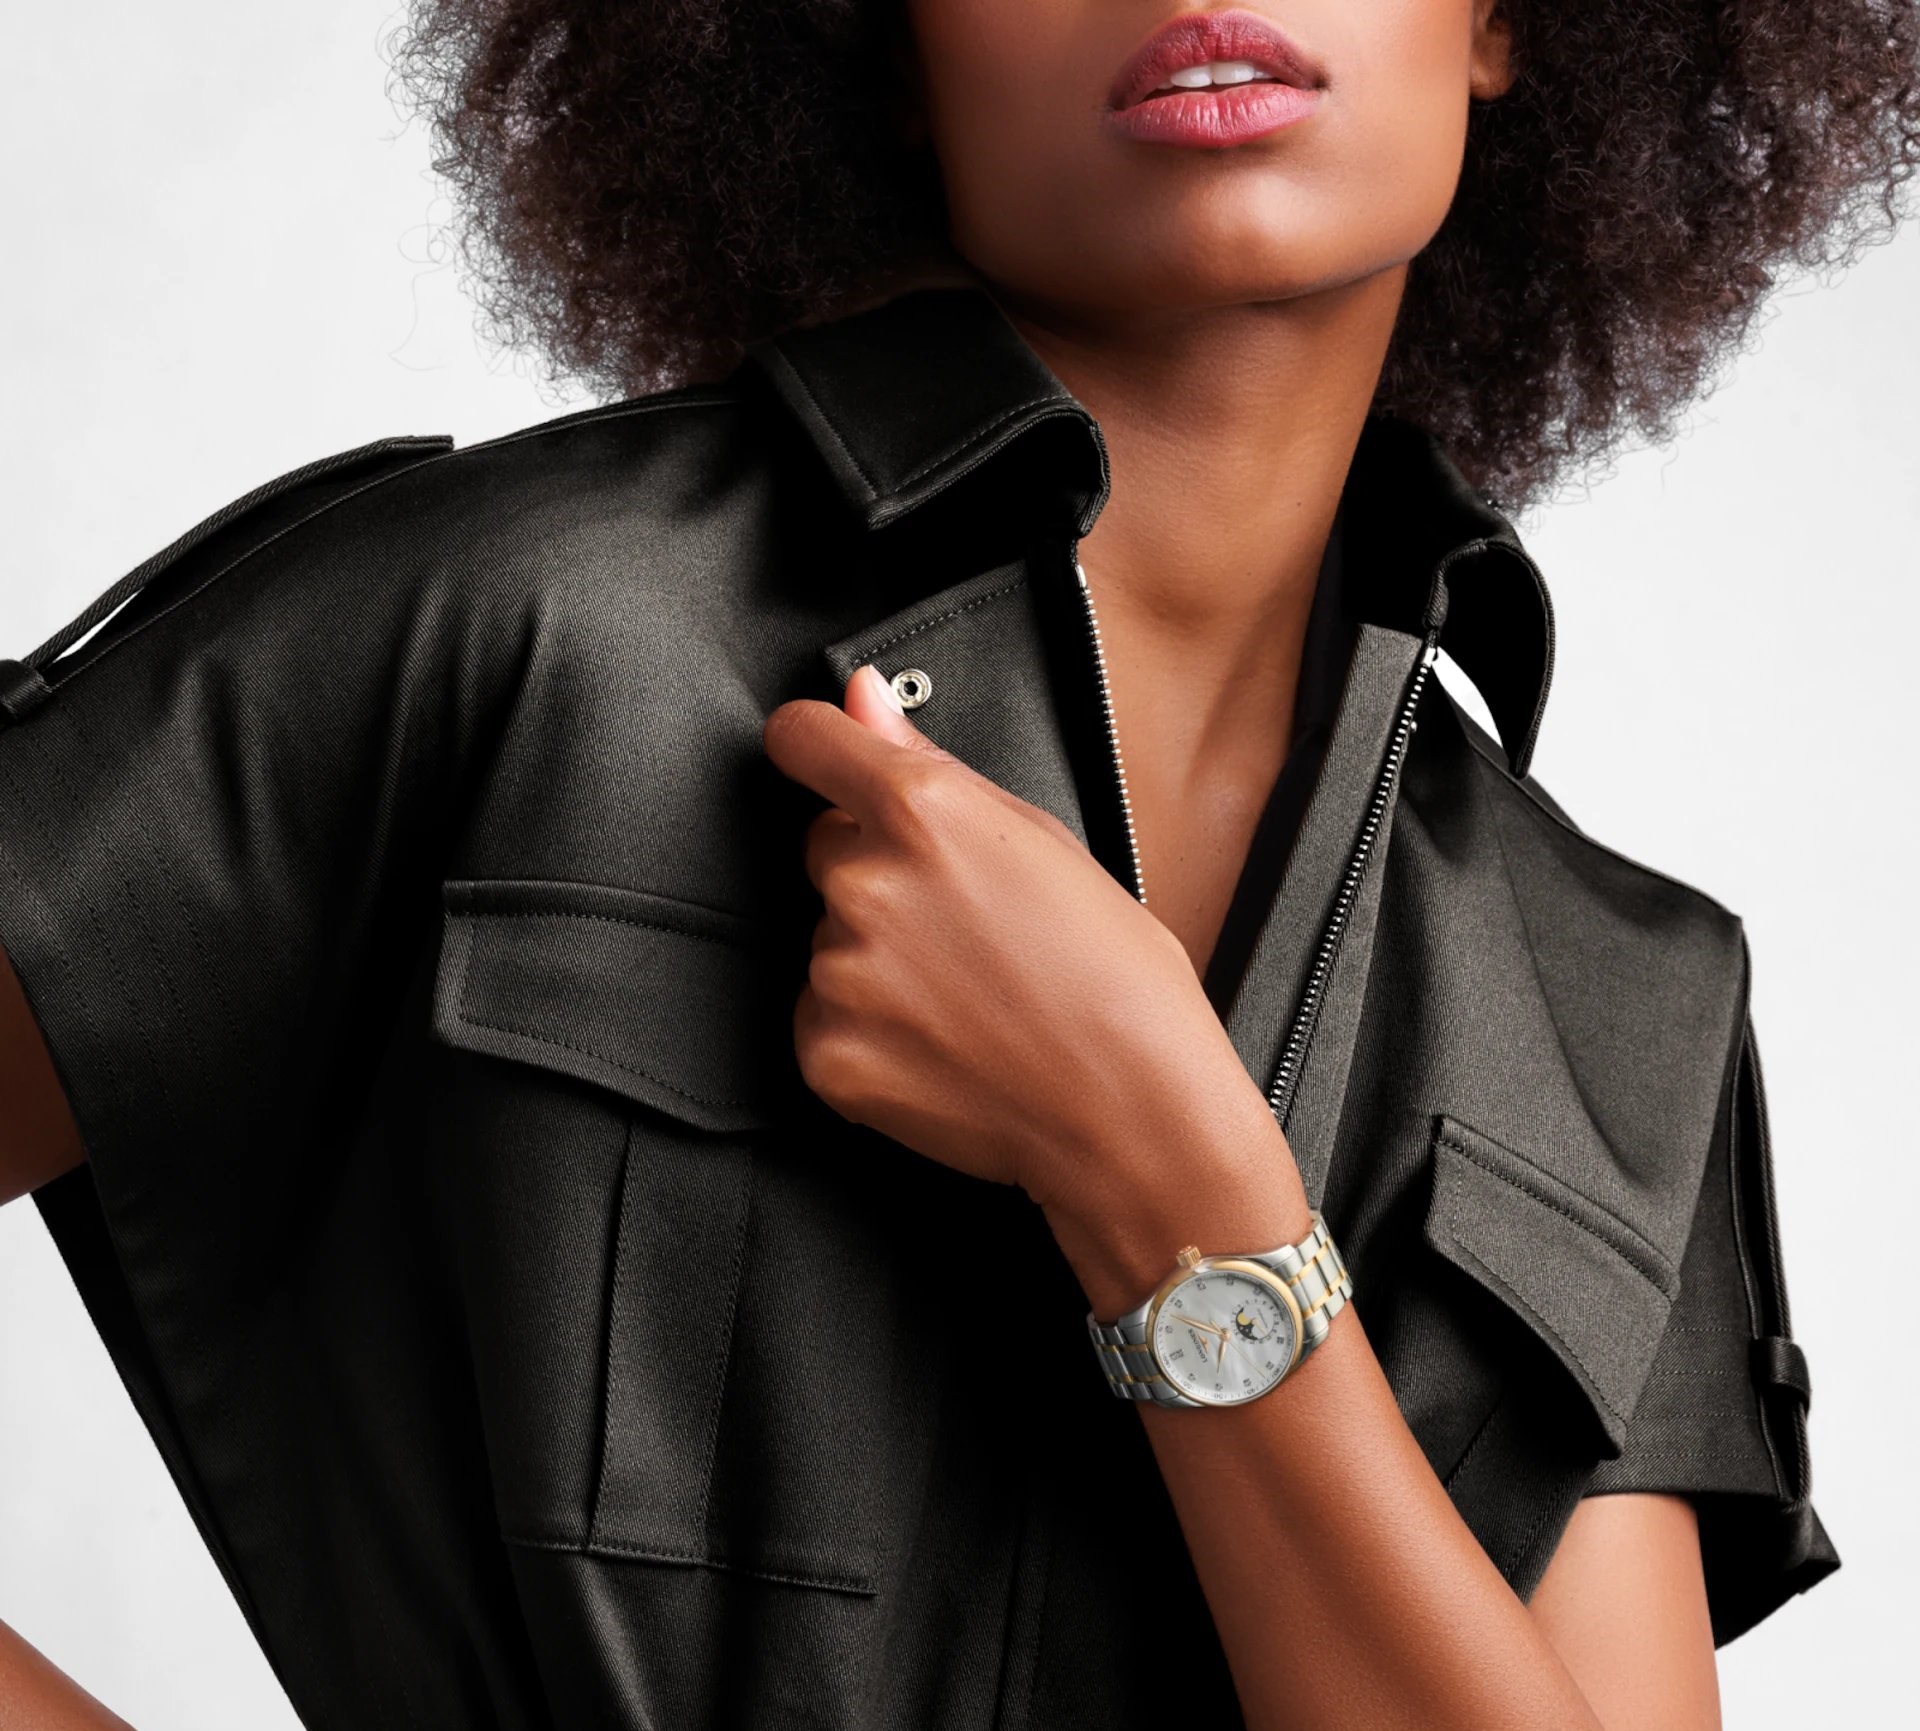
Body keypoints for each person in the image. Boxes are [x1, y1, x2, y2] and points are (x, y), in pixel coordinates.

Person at [2, 1, 1907, 1725]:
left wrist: (1166, 1174)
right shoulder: (513, 633)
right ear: (887, 50)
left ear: (1502, 22)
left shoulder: (1620, 1004)